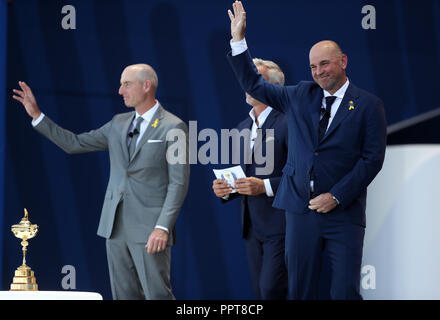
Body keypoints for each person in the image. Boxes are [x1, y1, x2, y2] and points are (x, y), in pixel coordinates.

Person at [226, 1, 387, 299]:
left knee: (344, 292)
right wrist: (239, 40)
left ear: (343, 61)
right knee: (300, 292)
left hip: (344, 214)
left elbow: (372, 159)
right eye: (313, 66)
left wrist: (336, 196)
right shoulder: (300, 95)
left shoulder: (367, 105)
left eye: (324, 64)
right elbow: (253, 83)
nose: (318, 72)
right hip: (299, 212)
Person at [12, 64, 190, 300]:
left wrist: (163, 227)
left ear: (146, 86)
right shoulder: (118, 123)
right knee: (123, 296)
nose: (120, 90)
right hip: (114, 227)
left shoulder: (173, 126)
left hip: (150, 229)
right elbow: (74, 143)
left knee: (157, 294)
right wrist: (37, 116)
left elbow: (178, 184)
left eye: (126, 84)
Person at [212, 58, 288, 300]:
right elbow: (241, 175)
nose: (248, 84)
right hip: (252, 227)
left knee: (270, 292)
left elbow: (302, 175)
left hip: (283, 224)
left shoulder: (289, 122)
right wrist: (225, 189)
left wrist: (264, 186)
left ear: (273, 88)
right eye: (247, 79)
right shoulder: (242, 127)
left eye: (256, 79)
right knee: (259, 293)